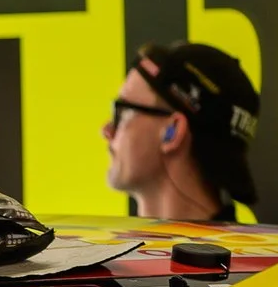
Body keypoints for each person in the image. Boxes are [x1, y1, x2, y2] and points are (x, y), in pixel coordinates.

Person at [102, 41, 262, 222]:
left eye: (123, 111)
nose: (106, 130)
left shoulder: (233, 250)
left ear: (173, 131)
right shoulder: (233, 248)